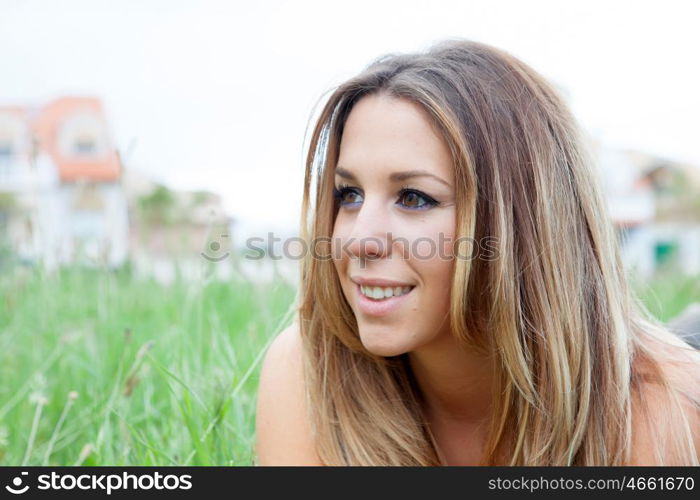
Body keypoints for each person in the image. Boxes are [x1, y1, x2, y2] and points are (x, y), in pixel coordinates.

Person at [255, 39, 700, 465]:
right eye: (349, 194)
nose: (357, 240)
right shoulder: (306, 374)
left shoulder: (666, 407)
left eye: (413, 198)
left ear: (521, 225)